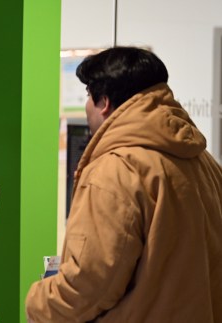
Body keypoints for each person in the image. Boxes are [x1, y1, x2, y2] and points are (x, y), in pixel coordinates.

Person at [26, 47, 222, 322]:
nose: (86, 106)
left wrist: (37, 302)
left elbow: (88, 285)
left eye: (87, 97)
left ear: (103, 102)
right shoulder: (205, 163)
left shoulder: (115, 170)